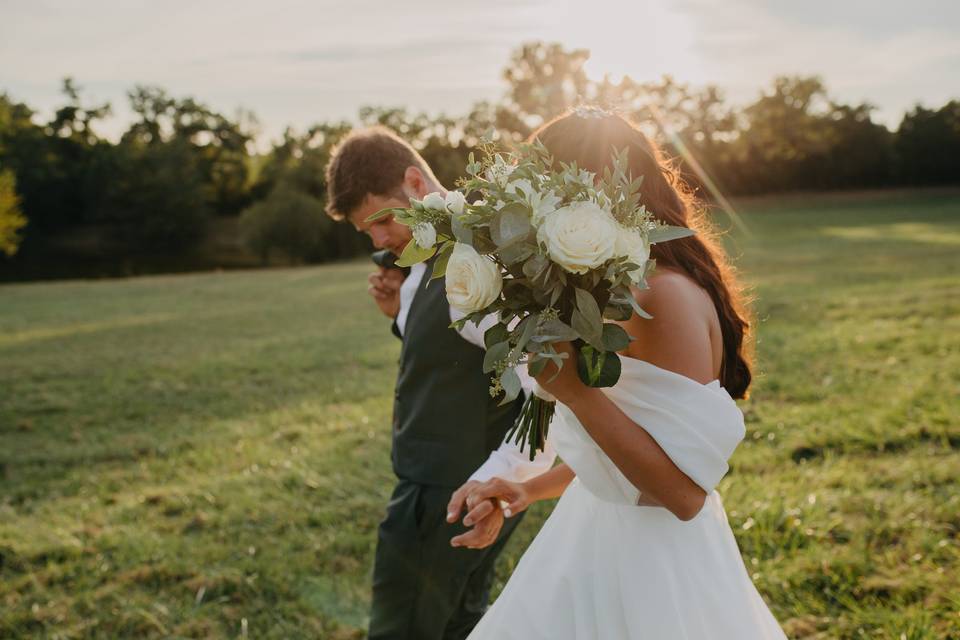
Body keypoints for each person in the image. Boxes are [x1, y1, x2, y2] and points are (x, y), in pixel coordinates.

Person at [447, 111, 788, 638]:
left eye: (546, 190)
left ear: (596, 187)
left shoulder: (667, 293)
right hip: (591, 533)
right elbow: (628, 451)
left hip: (652, 565)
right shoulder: (613, 289)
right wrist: (530, 489)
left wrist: (579, 396)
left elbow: (680, 493)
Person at [324, 127, 555, 640]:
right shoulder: (426, 253)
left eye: (382, 220)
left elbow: (547, 390)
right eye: (368, 233)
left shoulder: (481, 258)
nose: (379, 241)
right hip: (450, 486)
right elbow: (457, 347)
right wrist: (400, 317)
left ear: (413, 181)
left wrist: (502, 481)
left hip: (452, 493)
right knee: (459, 624)